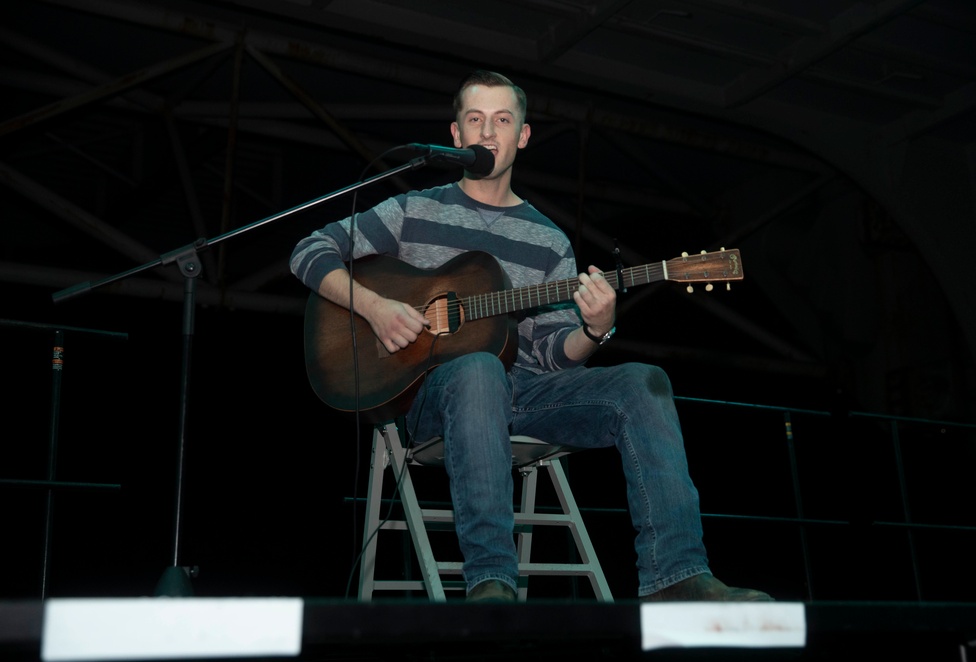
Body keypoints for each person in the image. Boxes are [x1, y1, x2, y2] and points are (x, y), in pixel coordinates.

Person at [290, 70, 773, 603]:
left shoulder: (547, 239)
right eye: (476, 120)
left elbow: (552, 353)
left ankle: (677, 577)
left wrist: (594, 328)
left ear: (522, 135)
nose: (489, 132)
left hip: (527, 395)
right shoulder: (413, 211)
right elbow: (309, 251)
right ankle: (492, 583)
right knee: (478, 368)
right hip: (434, 396)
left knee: (644, 382)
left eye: (502, 120)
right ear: (455, 135)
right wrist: (379, 309)